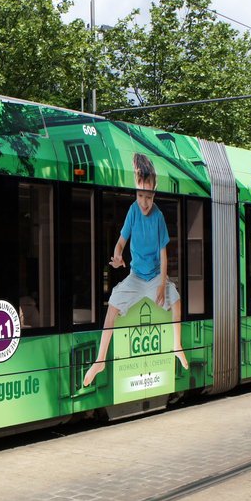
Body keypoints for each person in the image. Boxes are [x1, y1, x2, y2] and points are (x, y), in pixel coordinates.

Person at [82, 153, 187, 388]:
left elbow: (163, 254)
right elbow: (121, 241)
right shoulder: (132, 211)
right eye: (140, 195)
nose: (144, 202)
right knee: (113, 306)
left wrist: (161, 285)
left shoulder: (158, 217)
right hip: (136, 276)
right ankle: (100, 361)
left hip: (155, 277)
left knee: (175, 299)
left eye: (148, 197)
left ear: (154, 194)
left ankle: (177, 345)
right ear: (136, 193)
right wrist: (118, 255)